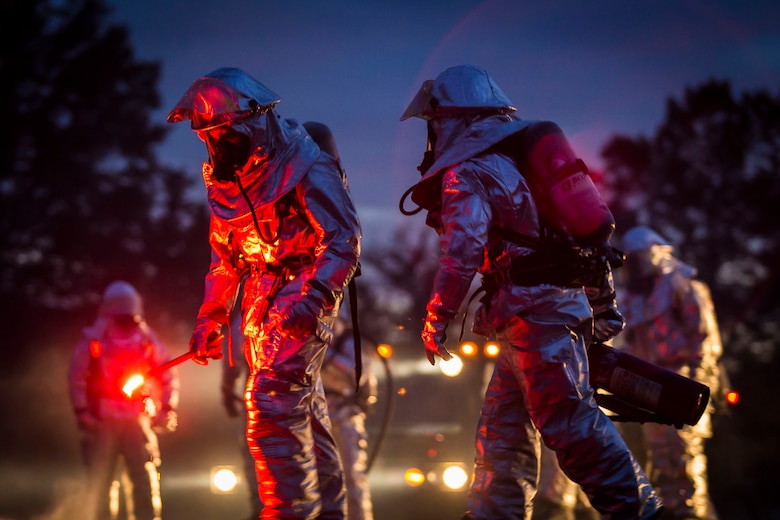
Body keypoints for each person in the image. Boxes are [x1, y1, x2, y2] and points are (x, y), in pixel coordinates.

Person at [399, 64, 662, 519]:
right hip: (536, 318)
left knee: (573, 429)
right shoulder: (529, 165)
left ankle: (643, 515)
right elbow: (589, 241)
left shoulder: (470, 172)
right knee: (503, 440)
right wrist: (602, 311)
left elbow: (461, 252)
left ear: (452, 119)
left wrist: (437, 318)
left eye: (434, 124)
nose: (433, 135)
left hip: (532, 318)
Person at [166, 67, 362, 519]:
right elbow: (225, 260)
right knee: (305, 413)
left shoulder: (306, 163)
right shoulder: (225, 184)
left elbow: (343, 241)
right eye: (211, 137)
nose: (219, 145)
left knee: (272, 401)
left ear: (252, 123)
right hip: (259, 299)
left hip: (301, 288)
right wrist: (210, 320)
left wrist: (311, 301)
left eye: (226, 133)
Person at [616, 225, 723, 520]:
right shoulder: (632, 299)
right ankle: (674, 513)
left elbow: (704, 338)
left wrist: (698, 385)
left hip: (683, 384)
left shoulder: (682, 286)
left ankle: (693, 515)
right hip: (651, 390)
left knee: (684, 458)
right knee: (660, 461)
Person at [68, 280, 179, 520]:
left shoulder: (146, 340)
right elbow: (77, 375)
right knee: (101, 481)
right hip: (103, 419)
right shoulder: (95, 339)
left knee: (143, 478)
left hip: (136, 417)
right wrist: (83, 412)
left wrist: (167, 408)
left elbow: (167, 375)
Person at [321, 316, 377, 520]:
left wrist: (325, 355)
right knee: (320, 482)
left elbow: (357, 375)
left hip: (345, 419)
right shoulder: (310, 335)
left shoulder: (349, 342)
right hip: (318, 419)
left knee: (352, 480)